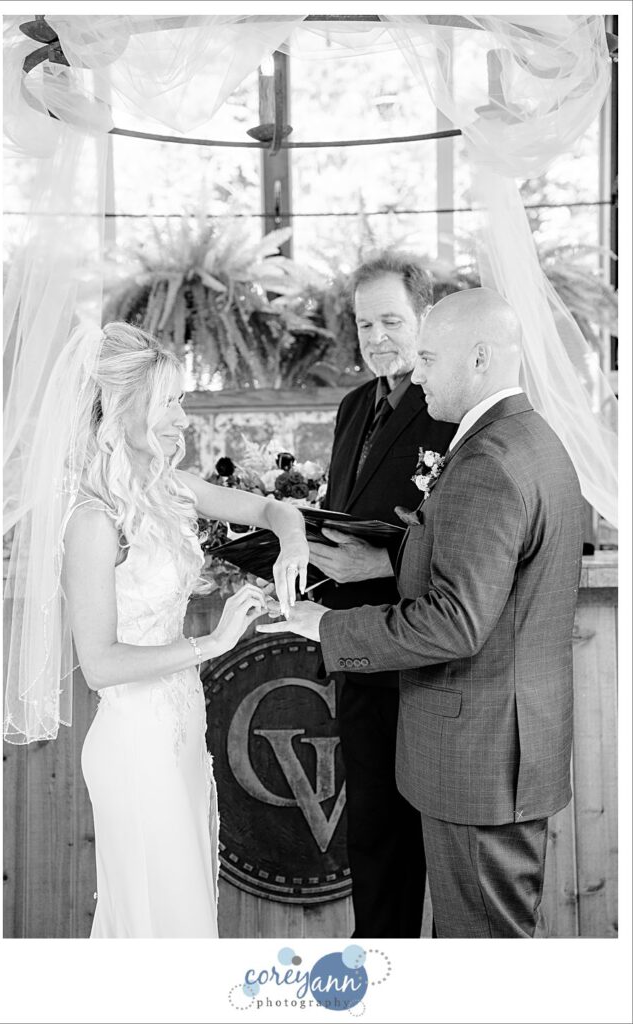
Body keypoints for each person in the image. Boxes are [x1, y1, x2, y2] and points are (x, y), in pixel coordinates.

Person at [259, 287, 585, 939]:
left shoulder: (488, 462)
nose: (418, 373)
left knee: (480, 947)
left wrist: (323, 625)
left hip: (481, 754)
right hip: (501, 744)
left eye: (429, 358)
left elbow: (454, 621)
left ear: (480, 358)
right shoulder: (526, 438)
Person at [3, 321, 309, 939]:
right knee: (160, 931)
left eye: (181, 400)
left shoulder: (167, 489)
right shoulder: (92, 520)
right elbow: (100, 664)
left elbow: (268, 508)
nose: (182, 419)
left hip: (182, 737)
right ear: (122, 410)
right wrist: (214, 643)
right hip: (136, 749)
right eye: (167, 402)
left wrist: (292, 541)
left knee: (181, 924)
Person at [307, 251, 456, 938]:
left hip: (423, 655)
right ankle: (378, 972)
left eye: (391, 320)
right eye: (365, 324)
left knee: (434, 846)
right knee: (371, 837)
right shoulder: (352, 406)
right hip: (356, 654)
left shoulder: (447, 404)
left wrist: (384, 560)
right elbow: (348, 514)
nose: (376, 338)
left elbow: (463, 537)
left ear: (426, 316)